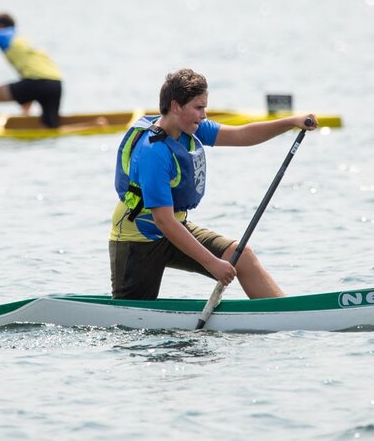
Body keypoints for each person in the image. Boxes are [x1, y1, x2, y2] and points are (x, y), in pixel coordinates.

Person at [110, 68, 318, 300]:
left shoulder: (191, 129)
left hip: (175, 227)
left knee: (241, 256)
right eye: (198, 108)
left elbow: (243, 135)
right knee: (132, 321)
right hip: (138, 237)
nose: (204, 115)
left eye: (205, 107)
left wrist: (292, 122)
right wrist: (212, 264)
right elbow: (163, 221)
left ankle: (283, 314)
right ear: (176, 106)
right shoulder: (154, 152)